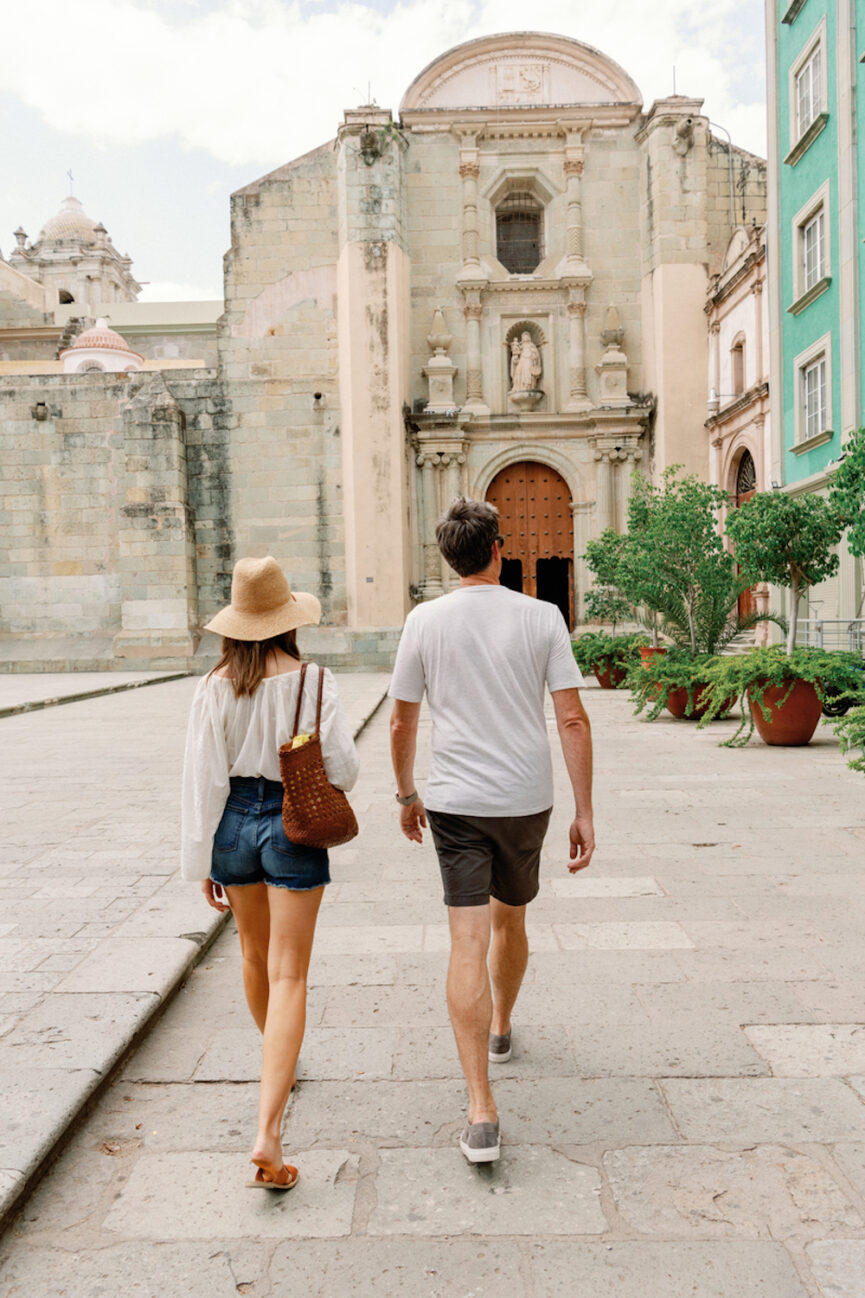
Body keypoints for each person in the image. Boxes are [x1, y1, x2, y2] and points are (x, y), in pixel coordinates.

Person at [388, 497, 594, 1164]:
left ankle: (480, 1111)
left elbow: (400, 722)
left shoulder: (424, 620)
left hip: (453, 802)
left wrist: (405, 793)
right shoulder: (542, 617)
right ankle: (500, 1025)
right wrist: (583, 810)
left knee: (464, 940)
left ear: (449, 558)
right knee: (510, 923)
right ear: (499, 550)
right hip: (525, 800)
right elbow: (570, 719)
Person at [181, 556, 359, 1190]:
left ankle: (276, 1068)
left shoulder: (213, 685)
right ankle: (268, 1132)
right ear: (287, 620)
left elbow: (201, 778)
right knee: (292, 975)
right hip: (291, 825)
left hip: (231, 824)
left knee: (255, 960)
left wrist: (202, 858)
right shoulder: (314, 680)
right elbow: (344, 768)